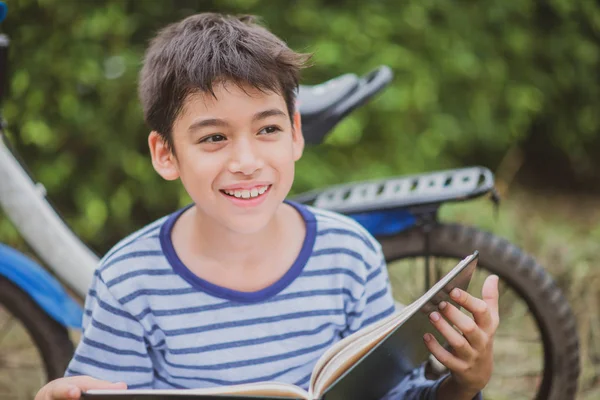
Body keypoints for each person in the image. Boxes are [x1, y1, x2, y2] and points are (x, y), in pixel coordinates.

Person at [35, 12, 499, 400]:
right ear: (165, 154)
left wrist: (464, 382)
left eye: (268, 130)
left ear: (296, 133)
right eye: (214, 137)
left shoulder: (349, 255)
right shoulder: (129, 282)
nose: (246, 162)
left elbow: (392, 393)